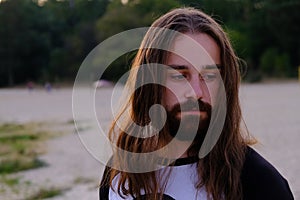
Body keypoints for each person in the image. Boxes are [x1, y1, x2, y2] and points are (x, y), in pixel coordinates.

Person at [99, 7, 294, 200]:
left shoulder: (259, 183)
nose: (196, 92)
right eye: (179, 75)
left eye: (209, 76)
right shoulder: (120, 174)